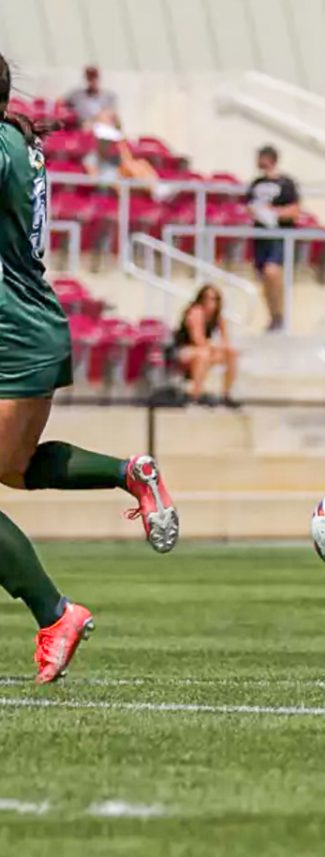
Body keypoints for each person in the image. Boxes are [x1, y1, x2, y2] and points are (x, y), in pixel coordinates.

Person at [0, 52, 179, 684]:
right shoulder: (16, 141)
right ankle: (129, 472)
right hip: (26, 324)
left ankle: (56, 613)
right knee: (13, 473)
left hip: (11, 333)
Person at [246, 145, 301, 332]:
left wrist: (274, 213)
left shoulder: (286, 183)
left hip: (278, 235)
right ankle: (273, 316)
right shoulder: (255, 183)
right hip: (260, 235)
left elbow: (294, 210)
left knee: (272, 272)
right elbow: (248, 206)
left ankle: (280, 314)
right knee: (263, 276)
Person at [174, 285, 239, 407]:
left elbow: (226, 340)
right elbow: (197, 340)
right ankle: (195, 396)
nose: (210, 302)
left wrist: (223, 348)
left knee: (231, 353)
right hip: (184, 349)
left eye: (214, 299)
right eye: (207, 298)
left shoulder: (218, 317)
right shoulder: (195, 312)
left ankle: (226, 394)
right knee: (203, 355)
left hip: (204, 349)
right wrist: (217, 346)